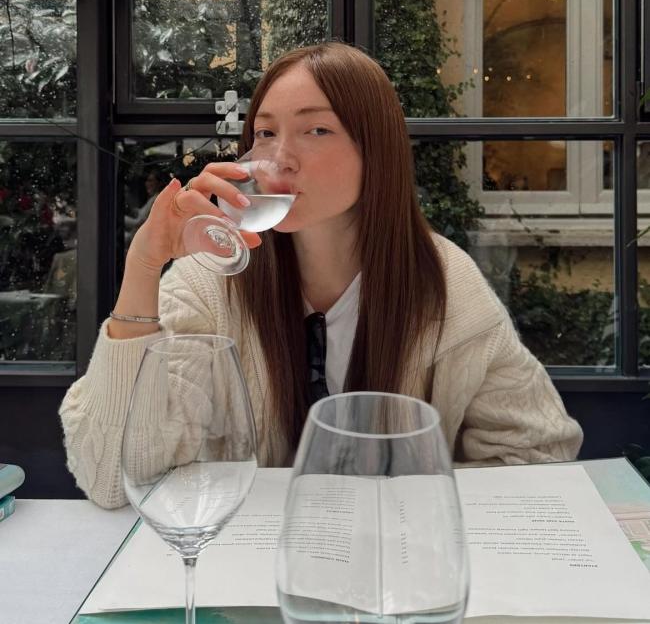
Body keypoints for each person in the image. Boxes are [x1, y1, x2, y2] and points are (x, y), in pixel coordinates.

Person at [59, 42, 583, 509]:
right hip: (245, 566)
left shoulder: (444, 285)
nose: (279, 159)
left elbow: (538, 451)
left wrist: (419, 506)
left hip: (394, 565)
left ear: (375, 149)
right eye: (265, 133)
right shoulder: (211, 279)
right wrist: (144, 264)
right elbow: (110, 478)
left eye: (315, 130)